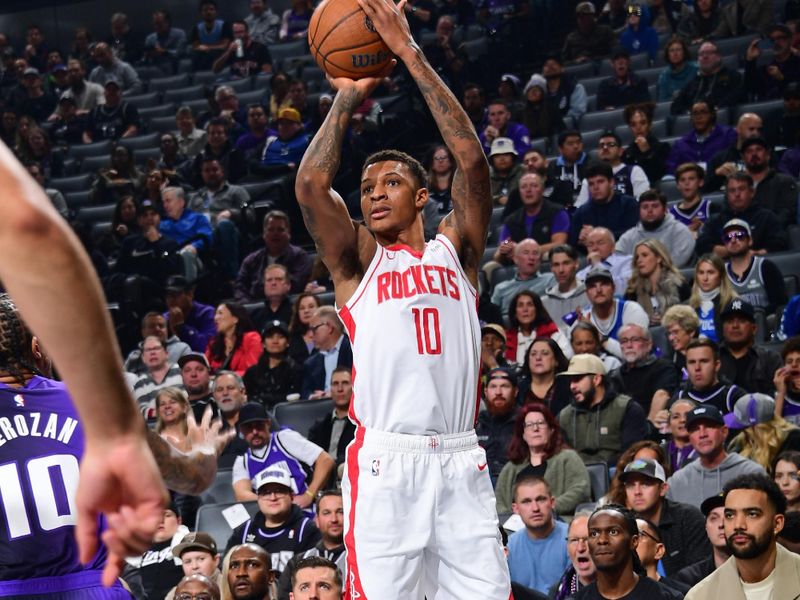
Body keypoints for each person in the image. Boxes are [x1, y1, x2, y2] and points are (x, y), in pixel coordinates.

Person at [293, 0, 511, 594]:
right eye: (366, 188)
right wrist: (346, 94)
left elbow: (470, 158)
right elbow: (311, 186)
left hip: (461, 457)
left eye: (392, 183)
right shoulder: (359, 260)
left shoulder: (456, 248)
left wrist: (408, 52)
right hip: (387, 462)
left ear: (422, 198)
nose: (375, 195)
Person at [685, 473, 800, 599]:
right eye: (729, 515)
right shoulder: (701, 596)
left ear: (777, 523)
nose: (738, 525)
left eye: (752, 514)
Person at [495, 402, 590, 515]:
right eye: (529, 424)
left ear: (551, 430)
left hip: (559, 522)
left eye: (541, 423)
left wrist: (546, 508)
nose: (535, 428)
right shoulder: (511, 468)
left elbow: (581, 490)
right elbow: (499, 503)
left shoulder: (568, 458)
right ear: (523, 434)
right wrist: (513, 518)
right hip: (515, 527)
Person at [573, 505, 684, 599]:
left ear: (634, 541)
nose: (602, 540)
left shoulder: (667, 597)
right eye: (594, 534)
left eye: (613, 532)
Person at [232, 402, 335, 504]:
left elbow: (326, 460)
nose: (254, 432)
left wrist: (309, 495)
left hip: (302, 510)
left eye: (259, 425)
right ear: (241, 430)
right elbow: (242, 495)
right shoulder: (242, 462)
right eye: (248, 427)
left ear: (268, 424)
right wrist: (274, 504)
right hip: (270, 516)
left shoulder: (284, 438)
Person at [621, 457, 710, 575]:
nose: (637, 492)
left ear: (663, 489)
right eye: (631, 485)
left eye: (645, 484)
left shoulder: (688, 518)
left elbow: (701, 569)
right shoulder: (624, 526)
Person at [666, 405, 766, 507]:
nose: (702, 434)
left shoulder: (752, 473)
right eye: (695, 429)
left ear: (724, 431)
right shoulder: (677, 483)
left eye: (709, 426)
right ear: (690, 437)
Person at [557, 353, 649, 465]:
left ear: (596, 379)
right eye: (571, 381)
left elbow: (632, 453)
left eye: (577, 379)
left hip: (615, 474)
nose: (572, 386)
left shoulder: (627, 409)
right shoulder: (565, 416)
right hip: (577, 474)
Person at [226, 468, 322, 575]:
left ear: (291, 496)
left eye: (279, 491)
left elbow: (313, 574)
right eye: (266, 493)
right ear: (258, 498)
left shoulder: (306, 530)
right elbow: (227, 569)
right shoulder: (244, 532)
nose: (273, 497)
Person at [507, 474, 571, 594]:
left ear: (552, 502)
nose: (535, 508)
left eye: (540, 499)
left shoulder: (573, 539)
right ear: (515, 509)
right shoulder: (509, 546)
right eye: (526, 502)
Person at [696, 175, 788, 256]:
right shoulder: (715, 220)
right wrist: (734, 251)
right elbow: (702, 245)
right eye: (732, 190)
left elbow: (779, 243)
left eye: (741, 189)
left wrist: (759, 254)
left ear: (752, 192)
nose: (737, 194)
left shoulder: (767, 217)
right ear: (727, 195)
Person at [278, 493, 346, 600]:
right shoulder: (297, 561)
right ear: (317, 520)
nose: (334, 519)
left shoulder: (362, 560)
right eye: (326, 513)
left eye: (340, 512)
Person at [236, 211, 313, 300]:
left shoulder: (300, 257)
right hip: (256, 309)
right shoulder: (251, 260)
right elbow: (240, 288)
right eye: (271, 229)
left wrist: (259, 289)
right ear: (264, 234)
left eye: (280, 229)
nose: (275, 233)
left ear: (288, 233)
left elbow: (295, 285)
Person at [614, 323, 680, 423]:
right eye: (624, 341)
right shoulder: (615, 375)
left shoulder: (663, 368)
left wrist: (647, 429)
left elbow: (661, 396)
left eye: (635, 340)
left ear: (649, 345)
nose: (629, 345)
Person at [723, 220, 788, 315]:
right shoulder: (720, 272)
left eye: (739, 236)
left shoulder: (766, 267)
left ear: (750, 240)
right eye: (728, 237)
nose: (733, 240)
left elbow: (780, 305)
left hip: (765, 324)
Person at [124, 503, 188, 600]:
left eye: (166, 515)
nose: (160, 520)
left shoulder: (190, 546)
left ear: (179, 521)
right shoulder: (133, 553)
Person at [568, 162, 639, 249]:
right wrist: (581, 240)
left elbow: (634, 235)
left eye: (600, 182)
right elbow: (573, 242)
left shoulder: (628, 204)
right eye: (591, 184)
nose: (596, 187)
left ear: (611, 182)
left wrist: (595, 235)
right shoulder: (581, 212)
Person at [718, 300, 783, 395]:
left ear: (754, 328)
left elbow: (778, 394)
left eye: (742, 320)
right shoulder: (713, 357)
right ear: (723, 329)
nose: (735, 326)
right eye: (730, 321)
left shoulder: (770, 359)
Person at [617, 191, 695, 268]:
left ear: (665, 209)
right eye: (645, 207)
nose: (649, 211)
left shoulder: (681, 232)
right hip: (635, 279)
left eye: (655, 206)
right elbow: (615, 261)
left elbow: (677, 262)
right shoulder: (629, 236)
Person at [623, 239, 688, 327]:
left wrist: (668, 320)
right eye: (637, 257)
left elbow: (689, 318)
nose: (639, 260)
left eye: (644, 255)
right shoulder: (632, 292)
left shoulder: (678, 285)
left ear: (658, 258)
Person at [672, 337, 748, 412]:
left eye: (704, 361)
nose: (697, 367)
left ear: (717, 365)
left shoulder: (734, 396)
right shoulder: (679, 398)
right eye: (692, 362)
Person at [726, 395, 799, 472]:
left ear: (755, 428)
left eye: (744, 428)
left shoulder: (793, 440)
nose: (743, 432)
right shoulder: (740, 443)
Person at [576, 132, 650, 206]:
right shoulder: (590, 177)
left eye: (611, 145)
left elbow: (643, 201)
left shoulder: (634, 171)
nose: (605, 148)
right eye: (601, 146)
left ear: (620, 151)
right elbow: (579, 206)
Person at [670, 42, 743, 116]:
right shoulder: (693, 83)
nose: (705, 56)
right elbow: (675, 106)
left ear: (718, 56)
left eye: (709, 53)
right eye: (701, 54)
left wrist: (714, 110)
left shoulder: (733, 77)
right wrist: (689, 113)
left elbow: (737, 97)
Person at [666, 100, 737, 175]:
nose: (698, 117)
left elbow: (736, 161)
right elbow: (671, 170)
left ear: (712, 114)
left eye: (703, 112)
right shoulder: (681, 144)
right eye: (695, 113)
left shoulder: (727, 135)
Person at [243, 320, 302, 409]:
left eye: (280, 337)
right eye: (270, 337)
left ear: (288, 343)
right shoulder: (252, 373)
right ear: (263, 343)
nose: (275, 341)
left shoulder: (295, 370)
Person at [581, 267, 650, 342]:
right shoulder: (584, 318)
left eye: (604, 284)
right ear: (587, 293)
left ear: (613, 288)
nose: (598, 290)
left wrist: (599, 337)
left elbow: (636, 350)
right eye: (592, 286)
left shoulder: (631, 310)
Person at [307, 367, 356, 472]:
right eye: (335, 384)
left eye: (345, 383)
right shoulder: (318, 427)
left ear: (354, 387)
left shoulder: (361, 426)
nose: (340, 389)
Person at [476, 366, 520, 483]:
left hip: (516, 485)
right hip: (480, 486)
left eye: (505, 386)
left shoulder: (526, 423)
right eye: (493, 386)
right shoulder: (475, 425)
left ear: (515, 391)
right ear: (485, 392)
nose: (498, 392)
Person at [491, 240, 556, 315]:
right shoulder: (501, 288)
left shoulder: (551, 279)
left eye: (535, 253)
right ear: (515, 259)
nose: (531, 257)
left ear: (540, 259)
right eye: (526, 253)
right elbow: (492, 316)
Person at [301, 306, 353, 400]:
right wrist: (314, 397)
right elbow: (305, 392)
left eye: (314, 329)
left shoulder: (353, 351)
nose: (310, 335)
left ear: (329, 327)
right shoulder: (311, 363)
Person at [503, 291, 567, 365]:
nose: (525, 309)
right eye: (520, 305)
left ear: (537, 310)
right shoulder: (506, 338)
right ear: (515, 313)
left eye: (530, 305)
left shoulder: (553, 332)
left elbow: (565, 358)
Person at [130, 335, 184, 423]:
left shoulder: (180, 371)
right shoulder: (140, 382)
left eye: (156, 348)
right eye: (148, 350)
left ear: (166, 353)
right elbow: (141, 411)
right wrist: (168, 411)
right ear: (143, 358)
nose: (152, 353)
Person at [687, 254, 737, 342]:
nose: (705, 278)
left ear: (721, 276)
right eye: (701, 273)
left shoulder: (732, 304)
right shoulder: (687, 307)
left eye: (710, 272)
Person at [206, 302, 262, 376]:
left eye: (220, 313)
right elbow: (205, 368)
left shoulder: (251, 339)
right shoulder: (213, 343)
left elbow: (252, 372)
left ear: (235, 319)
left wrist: (226, 377)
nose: (215, 318)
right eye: (215, 314)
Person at [542, 244, 588, 331]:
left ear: (576, 264)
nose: (561, 270)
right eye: (556, 265)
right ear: (551, 268)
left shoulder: (590, 296)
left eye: (566, 263)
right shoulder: (544, 303)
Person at [164, 275, 216, 353]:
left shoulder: (207, 313)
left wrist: (181, 328)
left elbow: (207, 347)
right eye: (168, 296)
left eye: (175, 295)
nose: (171, 300)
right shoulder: (164, 318)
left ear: (190, 295)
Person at [551, 511, 597, 599]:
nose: (580, 548)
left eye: (587, 539)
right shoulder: (557, 591)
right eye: (574, 540)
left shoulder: (624, 588)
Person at [622, 103, 671, 184]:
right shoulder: (626, 154)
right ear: (630, 128)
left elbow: (661, 175)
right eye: (633, 124)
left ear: (650, 125)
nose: (638, 127)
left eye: (643, 123)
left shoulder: (663, 148)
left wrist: (647, 152)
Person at [516, 337, 571, 409]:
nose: (538, 357)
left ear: (556, 361)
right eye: (533, 354)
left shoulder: (569, 387)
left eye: (545, 353)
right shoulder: (518, 389)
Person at [576, 227, 633, 294]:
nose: (594, 248)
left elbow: (622, 289)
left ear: (613, 247)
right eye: (590, 245)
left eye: (600, 243)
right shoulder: (580, 275)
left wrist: (597, 264)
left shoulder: (628, 262)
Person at [541, 55, 588, 128]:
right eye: (546, 65)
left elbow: (577, 112)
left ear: (562, 68)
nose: (550, 67)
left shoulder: (575, 88)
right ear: (543, 72)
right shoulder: (541, 92)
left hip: (569, 129)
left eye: (554, 64)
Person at [670, 163, 712, 235]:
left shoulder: (711, 208)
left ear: (701, 182)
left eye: (691, 179)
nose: (687, 183)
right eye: (682, 180)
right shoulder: (671, 214)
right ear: (677, 185)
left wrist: (703, 229)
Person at [249, 264, 294, 331]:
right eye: (269, 280)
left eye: (278, 279)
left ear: (288, 285)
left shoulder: (296, 311)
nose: (273, 283)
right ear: (264, 286)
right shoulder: (254, 316)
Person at [547, 130, 589, 197]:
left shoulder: (590, 162)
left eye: (578, 142)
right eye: (570, 144)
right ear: (560, 149)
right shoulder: (553, 166)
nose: (576, 146)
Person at [179, 352, 217, 422]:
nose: (193, 374)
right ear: (182, 377)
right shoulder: (179, 411)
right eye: (187, 370)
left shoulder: (219, 403)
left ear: (209, 374)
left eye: (199, 369)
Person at [657, 37, 697, 102]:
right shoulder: (664, 76)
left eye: (678, 50)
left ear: (684, 53)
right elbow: (662, 101)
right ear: (668, 55)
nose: (675, 53)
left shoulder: (696, 69)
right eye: (671, 51)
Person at [662, 305, 700, 373]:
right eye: (669, 333)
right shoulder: (667, 362)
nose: (671, 338)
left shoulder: (707, 356)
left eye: (675, 332)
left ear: (691, 332)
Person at [287, 293, 321, 365]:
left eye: (311, 307)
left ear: (320, 308)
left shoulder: (329, 334)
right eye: (302, 308)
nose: (306, 311)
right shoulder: (291, 337)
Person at [775, 338, 800, 426]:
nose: (794, 365)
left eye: (799, 361)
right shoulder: (777, 397)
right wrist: (781, 393)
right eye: (789, 361)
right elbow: (772, 433)